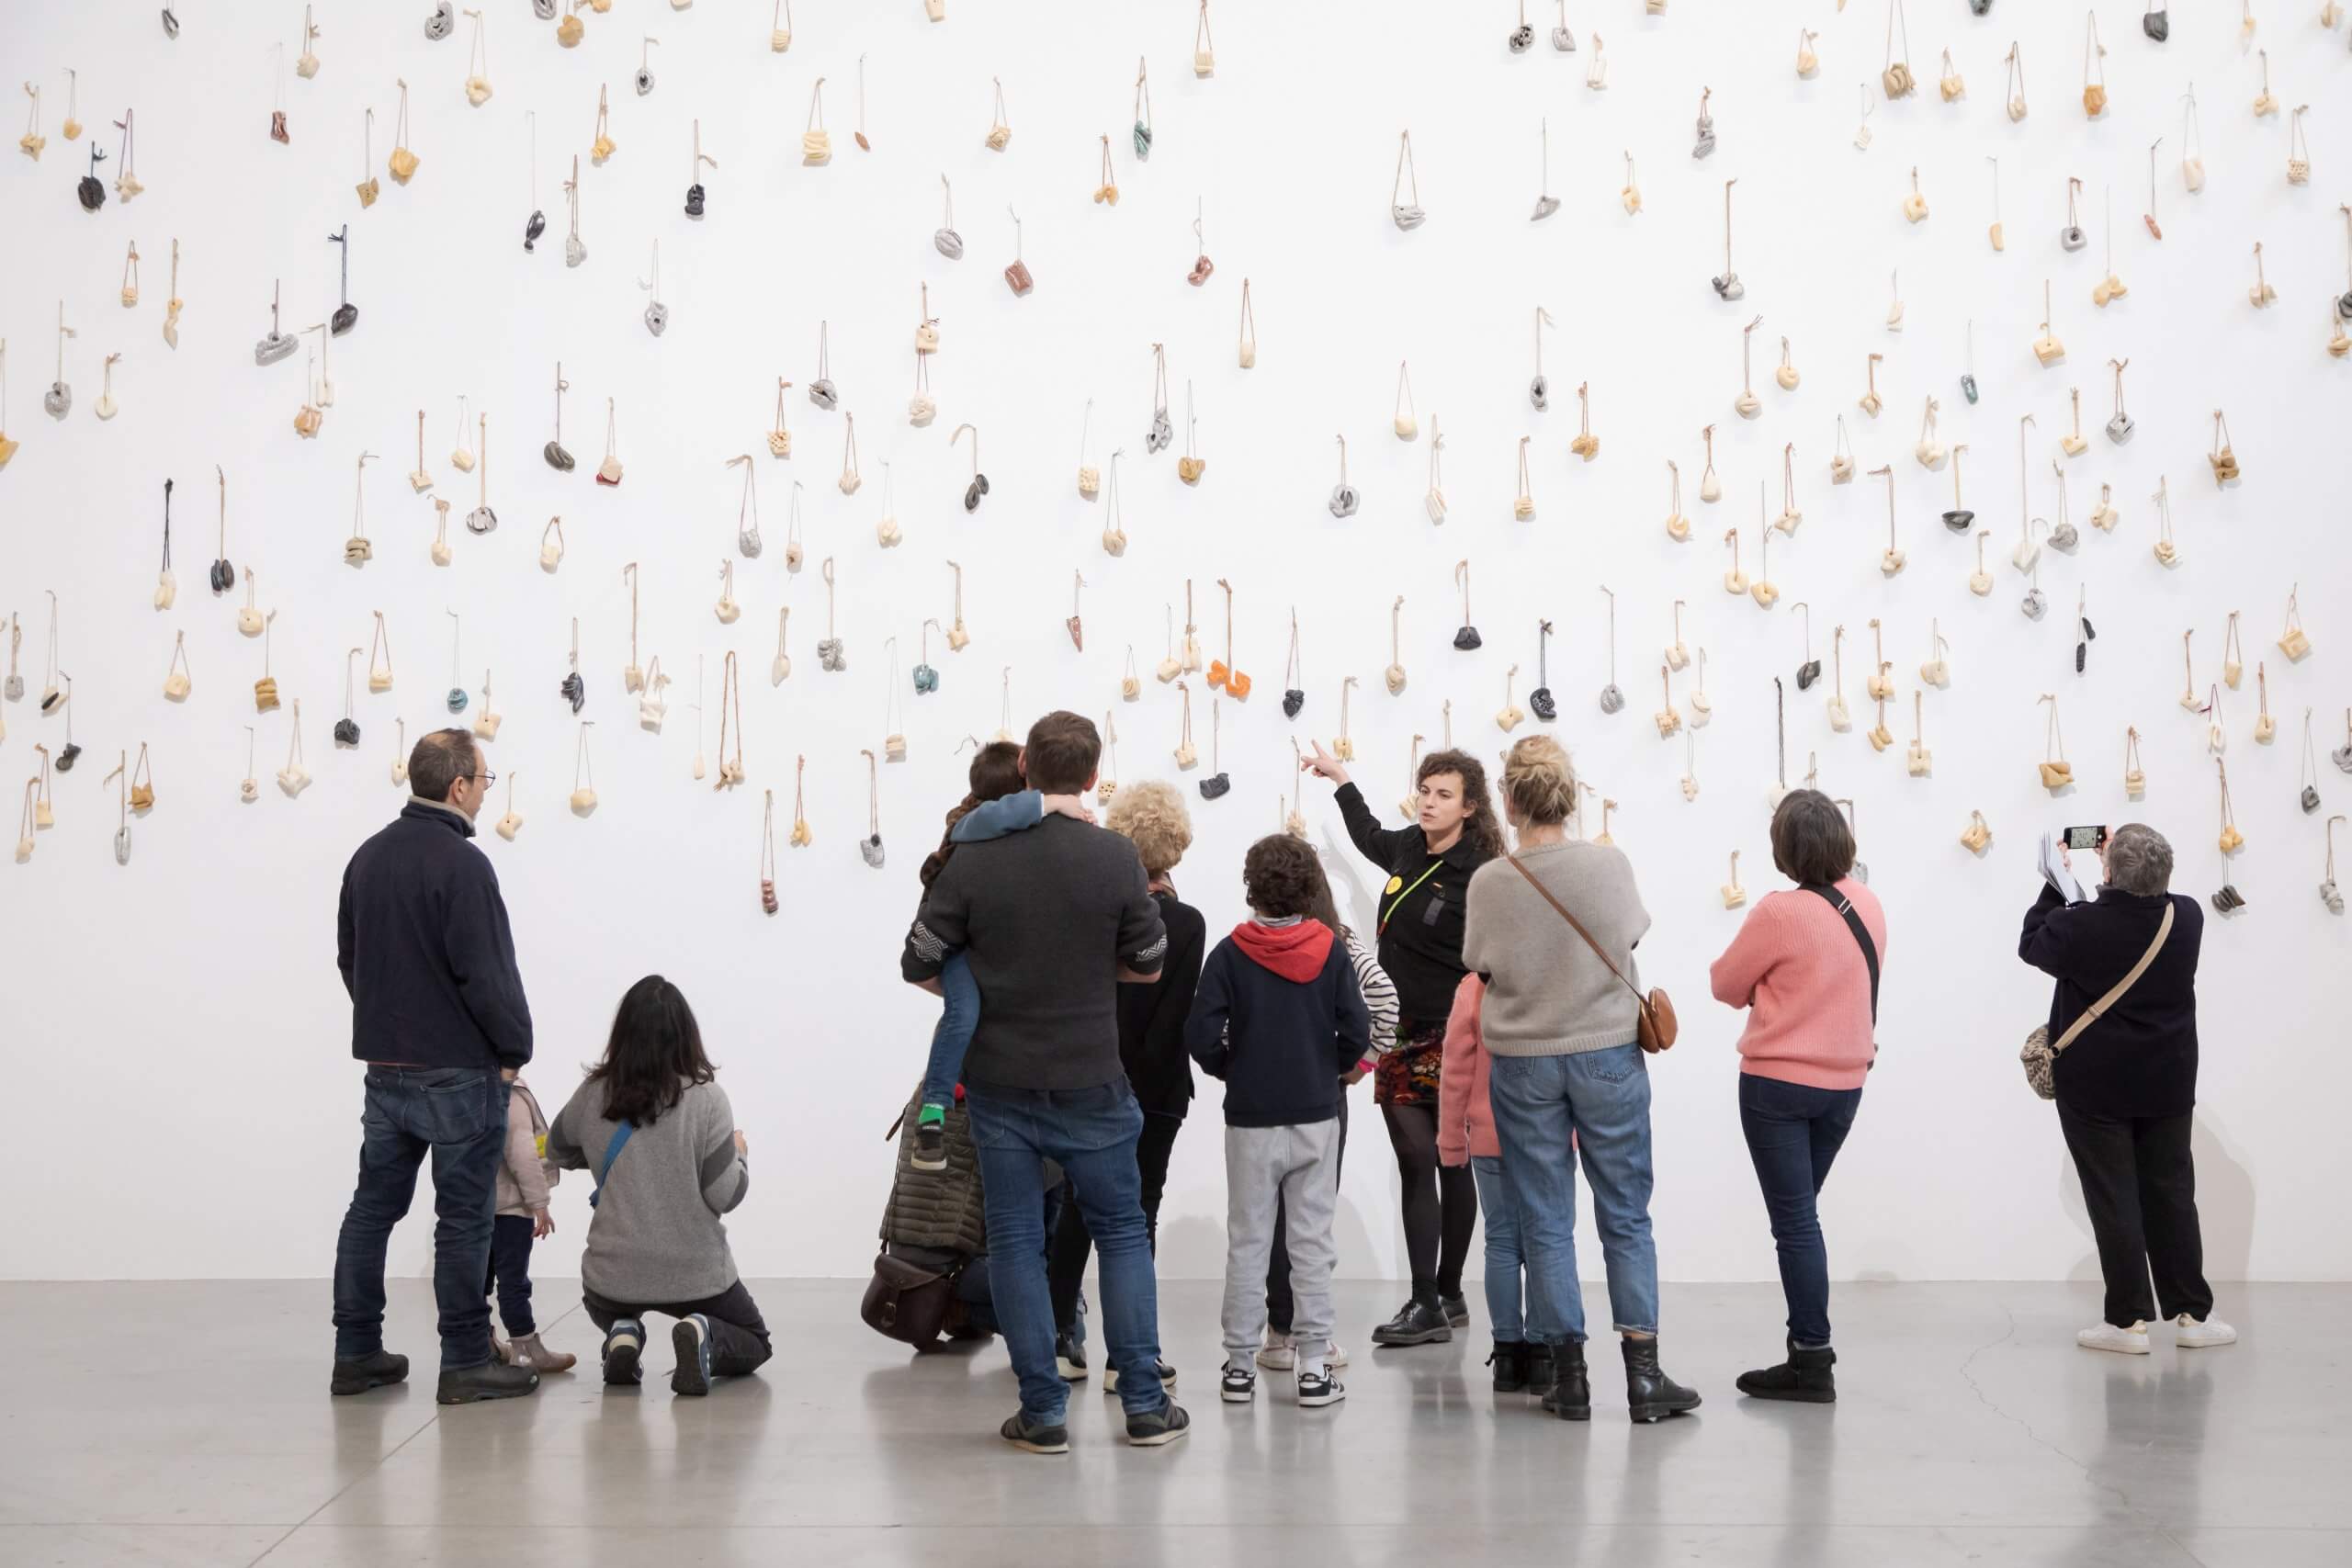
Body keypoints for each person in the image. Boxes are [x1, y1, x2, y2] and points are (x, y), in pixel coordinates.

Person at [900, 711, 1185, 1453]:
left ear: (1025, 766)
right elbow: (1149, 957)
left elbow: (919, 957)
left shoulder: (975, 858)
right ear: (1093, 775)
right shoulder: (1116, 857)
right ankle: (1147, 1406)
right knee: (1123, 1234)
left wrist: (987, 988)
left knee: (1019, 1242)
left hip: (1000, 1083)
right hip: (1093, 1076)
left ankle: (1043, 1412)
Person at [1464, 735, 1699, 1424]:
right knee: (1625, 1212)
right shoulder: (1609, 865)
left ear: (1509, 801)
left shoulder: (1490, 881)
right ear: (1570, 795)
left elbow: (1482, 965)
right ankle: (1645, 1376)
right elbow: (1630, 938)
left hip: (1525, 1059)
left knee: (1544, 1217)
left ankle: (1569, 1377)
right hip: (1607, 1053)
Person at [330, 728, 538, 1404]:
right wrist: (514, 1052)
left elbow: (349, 959)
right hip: (456, 1072)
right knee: (464, 1218)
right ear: (458, 786)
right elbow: (488, 976)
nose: (485, 790)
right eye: (485, 779)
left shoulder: (367, 858)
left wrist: (387, 1020)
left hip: (385, 1071)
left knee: (371, 1210)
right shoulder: (463, 865)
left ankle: (356, 1351)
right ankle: (465, 1360)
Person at [1300, 741, 1497, 1347]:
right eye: (1426, 791)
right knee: (1419, 1157)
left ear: (1469, 807)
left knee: (1447, 1159)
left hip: (1455, 1031)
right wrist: (1341, 779)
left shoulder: (1482, 872)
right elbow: (1368, 834)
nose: (1430, 803)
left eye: (1444, 795)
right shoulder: (1410, 845)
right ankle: (1432, 1299)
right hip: (1397, 1030)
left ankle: (1442, 1293)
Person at [2019, 824, 2235, 1355]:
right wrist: (2119, 861)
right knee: (2172, 1194)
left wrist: (2057, 882)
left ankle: (2127, 1322)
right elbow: (2142, 896)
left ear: (2109, 871)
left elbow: (2032, 944)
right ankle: (2191, 1314)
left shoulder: (2081, 928)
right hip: (2167, 1081)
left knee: (2113, 1196)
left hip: (2096, 1087)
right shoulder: (2187, 917)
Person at [1708, 790, 1889, 1404]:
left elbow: (1723, 984)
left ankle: (1812, 1359)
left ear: (1784, 847)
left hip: (1777, 1085)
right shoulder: (1868, 903)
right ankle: (1807, 1353)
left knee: (1796, 1223)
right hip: (1846, 1084)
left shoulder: (1777, 912)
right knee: (1800, 1218)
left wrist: (1769, 984)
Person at [1187, 835, 1371, 1408]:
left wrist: (1231, 1069)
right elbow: (1359, 1032)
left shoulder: (1228, 953)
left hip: (1251, 1119)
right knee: (1312, 1244)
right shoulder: (1332, 950)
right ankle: (1313, 1368)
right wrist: (1330, 1070)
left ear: (1251, 888)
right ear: (1310, 887)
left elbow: (1198, 1035)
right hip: (1316, 1115)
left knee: (1248, 1242)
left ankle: (1240, 1367)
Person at [1046, 781, 1205, 1393]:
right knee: (1138, 1214)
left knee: (1079, 1213)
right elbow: (1172, 1024)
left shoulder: (1097, 910)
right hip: (1157, 1089)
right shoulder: (1185, 922)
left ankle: (1062, 1337)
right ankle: (1129, 1355)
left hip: (1089, 1076)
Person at [548, 976, 769, 1396]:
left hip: (612, 1277)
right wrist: (739, 1153)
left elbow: (558, 1149)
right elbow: (723, 1194)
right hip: (695, 1274)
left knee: (603, 1301)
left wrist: (601, 1156)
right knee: (755, 1341)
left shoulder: (594, 1093)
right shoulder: (708, 1100)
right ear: (686, 1035)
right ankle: (701, 1331)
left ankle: (623, 1331)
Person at [910, 740, 1104, 1174]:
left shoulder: (995, 831)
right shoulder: (978, 826)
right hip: (959, 951)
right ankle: (934, 1112)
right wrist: (1054, 801)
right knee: (963, 1012)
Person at [1258, 865, 1395, 1372]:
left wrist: (1360, 1063)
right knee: (1309, 1220)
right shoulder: (1338, 941)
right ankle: (1309, 1340)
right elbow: (1384, 1000)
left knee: (1269, 1220)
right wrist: (1354, 1064)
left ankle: (1279, 1334)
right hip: (1320, 1094)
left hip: (1266, 1093)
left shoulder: (1252, 943)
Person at [1437, 972, 1557, 1396]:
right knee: (1547, 1240)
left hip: (1490, 1134)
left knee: (1502, 1241)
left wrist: (1451, 1141)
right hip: (1549, 1135)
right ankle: (1543, 1356)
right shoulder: (1553, 978)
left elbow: (1455, 1069)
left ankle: (1507, 1356)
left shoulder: (1475, 986)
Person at [488, 1071, 576, 1374]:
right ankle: (525, 1347)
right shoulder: (511, 1094)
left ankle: (480, 1342)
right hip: (510, 1206)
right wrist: (540, 1204)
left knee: (477, 1282)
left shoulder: (470, 1086)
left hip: (478, 1207)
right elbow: (522, 1154)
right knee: (514, 1282)